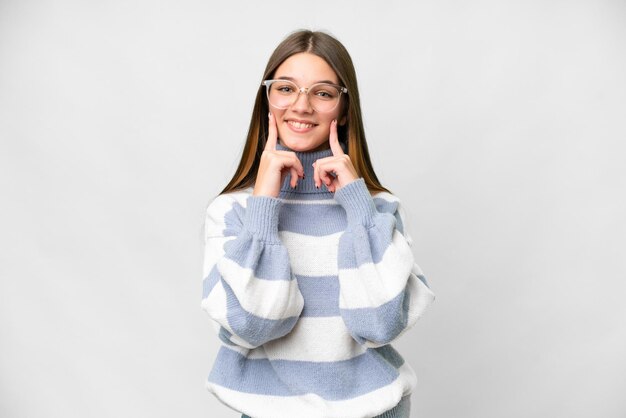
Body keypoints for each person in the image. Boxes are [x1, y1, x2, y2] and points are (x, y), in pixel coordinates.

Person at [201, 29, 435, 418]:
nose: (302, 105)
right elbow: (253, 325)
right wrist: (263, 208)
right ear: (268, 100)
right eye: (286, 88)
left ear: (343, 109)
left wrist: (358, 207)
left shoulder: (379, 210)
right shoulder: (232, 212)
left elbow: (379, 324)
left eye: (322, 93)